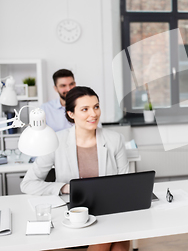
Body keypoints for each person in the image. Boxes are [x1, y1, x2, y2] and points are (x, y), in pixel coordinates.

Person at [21, 86, 129, 251]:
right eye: (85, 109)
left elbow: (126, 183)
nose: (93, 114)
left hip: (108, 212)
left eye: (96, 107)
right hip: (73, 215)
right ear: (71, 114)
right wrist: (64, 188)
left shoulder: (115, 140)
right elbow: (28, 183)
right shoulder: (56, 141)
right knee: (109, 238)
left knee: (119, 241)